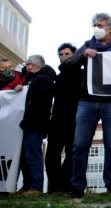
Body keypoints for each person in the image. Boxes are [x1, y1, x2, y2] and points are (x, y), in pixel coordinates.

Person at [65, 13, 111, 197]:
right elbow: (67, 66)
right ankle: (77, 187)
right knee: (80, 144)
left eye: (100, 25)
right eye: (94, 25)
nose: (96, 27)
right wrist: (81, 55)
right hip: (87, 101)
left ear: (110, 28)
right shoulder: (87, 46)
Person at [45, 43, 82, 194]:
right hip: (57, 119)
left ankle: (66, 185)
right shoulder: (57, 77)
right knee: (52, 154)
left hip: (75, 118)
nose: (64, 56)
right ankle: (54, 187)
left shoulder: (82, 74)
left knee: (72, 154)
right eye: (61, 54)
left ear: (74, 55)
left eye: (68, 54)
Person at [17, 55, 56, 197]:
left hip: (35, 123)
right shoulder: (34, 79)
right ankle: (27, 185)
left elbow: (39, 104)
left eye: (27, 64)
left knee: (32, 154)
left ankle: (36, 186)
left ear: (33, 66)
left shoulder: (43, 80)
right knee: (24, 156)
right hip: (30, 123)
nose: (25, 67)